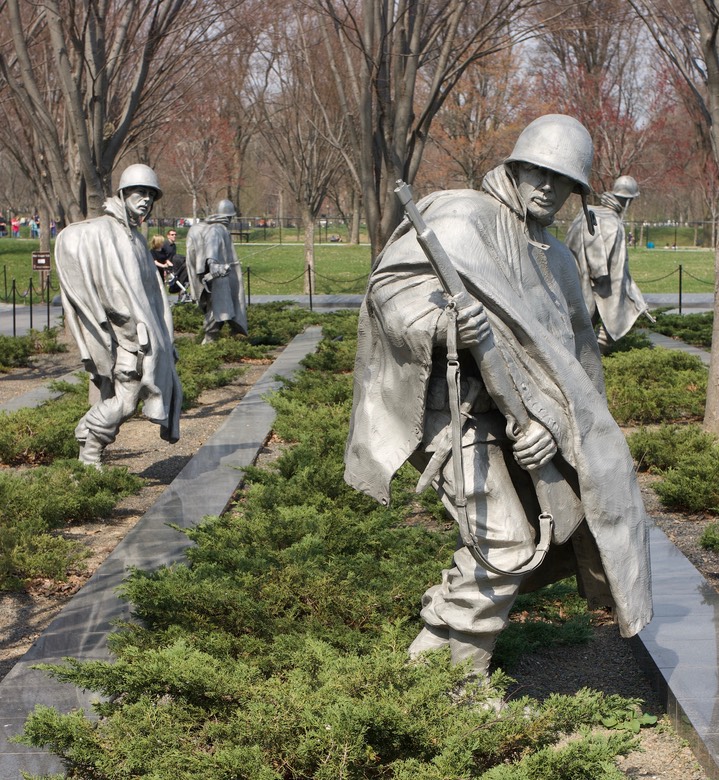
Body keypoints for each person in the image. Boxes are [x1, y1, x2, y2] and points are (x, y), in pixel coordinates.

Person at [344, 114, 652, 678]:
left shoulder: (558, 260)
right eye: (537, 171)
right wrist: (447, 326)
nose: (547, 188)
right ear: (515, 166)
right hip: (450, 414)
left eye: (563, 181)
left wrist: (554, 432)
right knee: (507, 544)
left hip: (519, 427)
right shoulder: (460, 219)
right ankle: (456, 681)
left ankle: (429, 673)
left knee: (527, 541)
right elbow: (388, 297)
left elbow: (574, 364)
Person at [54, 163, 182, 468]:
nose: (146, 199)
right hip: (131, 339)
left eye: (151, 194)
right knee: (125, 402)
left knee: (125, 398)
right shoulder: (107, 233)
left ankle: (88, 438)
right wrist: (132, 335)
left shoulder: (136, 239)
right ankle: (89, 449)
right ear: (123, 193)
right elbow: (114, 294)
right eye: (140, 192)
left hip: (146, 338)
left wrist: (164, 337)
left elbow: (151, 295)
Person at [565, 175, 651, 353]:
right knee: (601, 334)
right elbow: (616, 272)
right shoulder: (613, 223)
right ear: (628, 201)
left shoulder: (585, 212)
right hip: (599, 286)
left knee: (578, 334)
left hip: (574, 282)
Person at [186, 199, 247, 344]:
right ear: (229, 217)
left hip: (218, 275)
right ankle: (209, 341)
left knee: (221, 308)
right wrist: (212, 263)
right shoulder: (217, 229)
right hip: (219, 277)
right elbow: (211, 245)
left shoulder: (210, 226)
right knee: (219, 309)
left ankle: (220, 338)